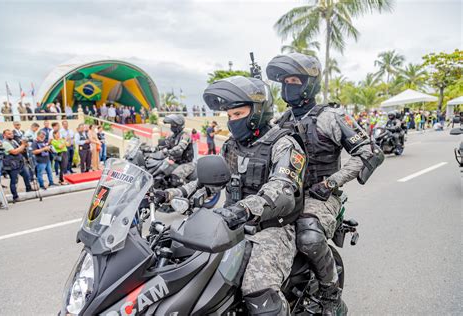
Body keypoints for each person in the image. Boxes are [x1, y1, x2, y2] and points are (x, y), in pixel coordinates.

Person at [159, 76, 305, 315]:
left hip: (271, 229)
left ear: (258, 111)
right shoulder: (231, 146)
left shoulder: (284, 143)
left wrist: (245, 209)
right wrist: (168, 194)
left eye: (238, 114)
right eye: (230, 116)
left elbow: (283, 188)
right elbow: (208, 183)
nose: (232, 121)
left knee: (257, 291)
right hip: (229, 224)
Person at [267, 52, 384, 315]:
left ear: (309, 84)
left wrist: (330, 183)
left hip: (319, 196)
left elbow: (369, 153)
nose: (288, 86)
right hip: (285, 193)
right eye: (284, 81)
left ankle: (331, 296)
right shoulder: (280, 121)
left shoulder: (330, 116)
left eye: (295, 80)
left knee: (308, 236)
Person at [161, 114, 195, 184]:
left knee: (174, 178)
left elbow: (180, 148)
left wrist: (168, 151)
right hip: (175, 162)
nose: (172, 127)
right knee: (161, 172)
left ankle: (183, 191)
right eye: (171, 125)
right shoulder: (172, 136)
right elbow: (165, 144)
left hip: (187, 164)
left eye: (174, 125)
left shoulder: (185, 135)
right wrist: (154, 149)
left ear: (179, 125)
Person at [1, 129, 33, 202]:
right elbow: (14, 152)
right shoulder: (4, 143)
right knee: (14, 181)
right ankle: (15, 197)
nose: (11, 135)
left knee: (27, 175)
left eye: (11, 133)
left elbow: (20, 150)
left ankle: (28, 188)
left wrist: (25, 146)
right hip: (12, 164)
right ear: (4, 135)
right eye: (9, 134)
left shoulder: (14, 141)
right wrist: (23, 145)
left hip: (19, 162)